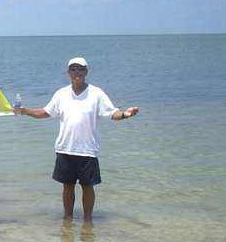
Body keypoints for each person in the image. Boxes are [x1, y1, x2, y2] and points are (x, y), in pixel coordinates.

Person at [14, 57, 139, 221]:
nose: (77, 72)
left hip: (88, 150)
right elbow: (45, 112)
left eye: (80, 69)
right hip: (65, 148)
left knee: (88, 186)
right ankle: (68, 221)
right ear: (68, 73)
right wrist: (24, 111)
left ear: (86, 71)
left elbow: (112, 113)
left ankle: (88, 222)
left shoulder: (97, 93)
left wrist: (125, 114)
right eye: (73, 69)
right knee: (67, 186)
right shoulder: (61, 94)